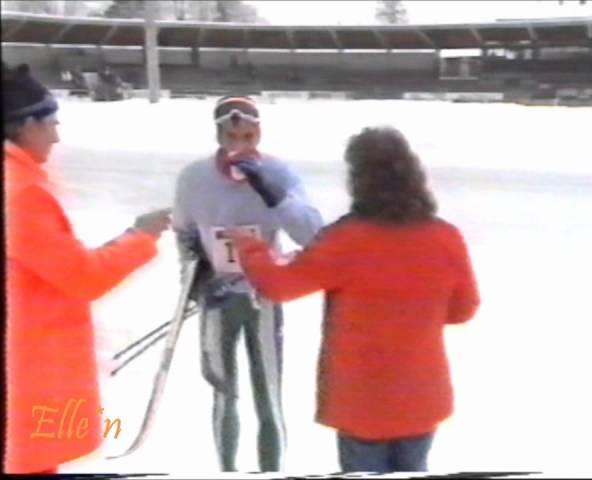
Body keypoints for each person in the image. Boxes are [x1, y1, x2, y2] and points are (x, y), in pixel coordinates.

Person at [228, 126, 480, 473]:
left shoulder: (346, 240)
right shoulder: (445, 236)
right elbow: (463, 309)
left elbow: (279, 286)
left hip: (361, 402)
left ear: (358, 179)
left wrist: (249, 248)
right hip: (421, 396)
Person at [3, 63, 172, 474]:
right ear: (25, 126)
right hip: (25, 377)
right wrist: (142, 236)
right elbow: (82, 276)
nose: (57, 136)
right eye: (51, 124)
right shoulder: (21, 192)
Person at [172, 95, 323, 471]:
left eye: (249, 136)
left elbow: (313, 234)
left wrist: (272, 193)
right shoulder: (194, 177)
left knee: (268, 397)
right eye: (233, 136)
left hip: (264, 298)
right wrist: (195, 277)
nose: (241, 146)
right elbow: (184, 231)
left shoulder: (280, 173)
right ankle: (227, 470)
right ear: (219, 136)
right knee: (224, 395)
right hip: (218, 299)